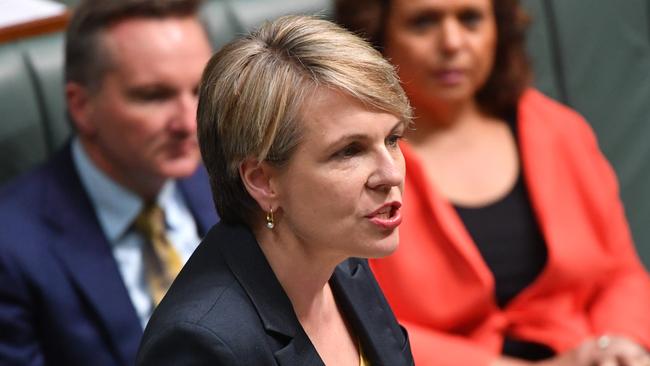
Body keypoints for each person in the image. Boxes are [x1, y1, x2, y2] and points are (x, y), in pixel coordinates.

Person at [335, 0, 650, 365]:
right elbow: (356, 321)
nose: (452, 42)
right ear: (376, 37)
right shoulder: (358, 168)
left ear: (498, 29)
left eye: (470, 19)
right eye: (423, 23)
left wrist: (616, 348)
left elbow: (622, 274)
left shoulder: (559, 130)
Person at [136, 15, 414, 366]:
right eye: (349, 151)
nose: (390, 174)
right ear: (262, 181)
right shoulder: (201, 344)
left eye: (392, 139)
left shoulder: (345, 264)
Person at [0, 0, 216, 365]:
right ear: (82, 106)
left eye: (198, 90)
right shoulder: (11, 251)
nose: (188, 123)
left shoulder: (236, 180)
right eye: (154, 96)